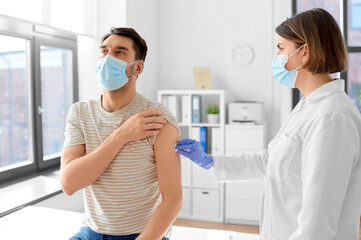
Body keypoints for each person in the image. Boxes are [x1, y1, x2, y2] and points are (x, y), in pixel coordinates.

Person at [176, 8, 361, 240]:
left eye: (281, 48)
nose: (276, 55)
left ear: (305, 52)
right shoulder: (309, 106)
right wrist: (210, 161)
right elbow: (271, 161)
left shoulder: (332, 116)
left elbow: (317, 224)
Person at [61, 27, 182, 240]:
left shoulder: (157, 118)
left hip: (142, 235)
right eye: (104, 51)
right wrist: (122, 135)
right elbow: (69, 184)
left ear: (138, 67)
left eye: (119, 52)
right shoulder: (80, 113)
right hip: (91, 232)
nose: (108, 58)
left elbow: (173, 199)